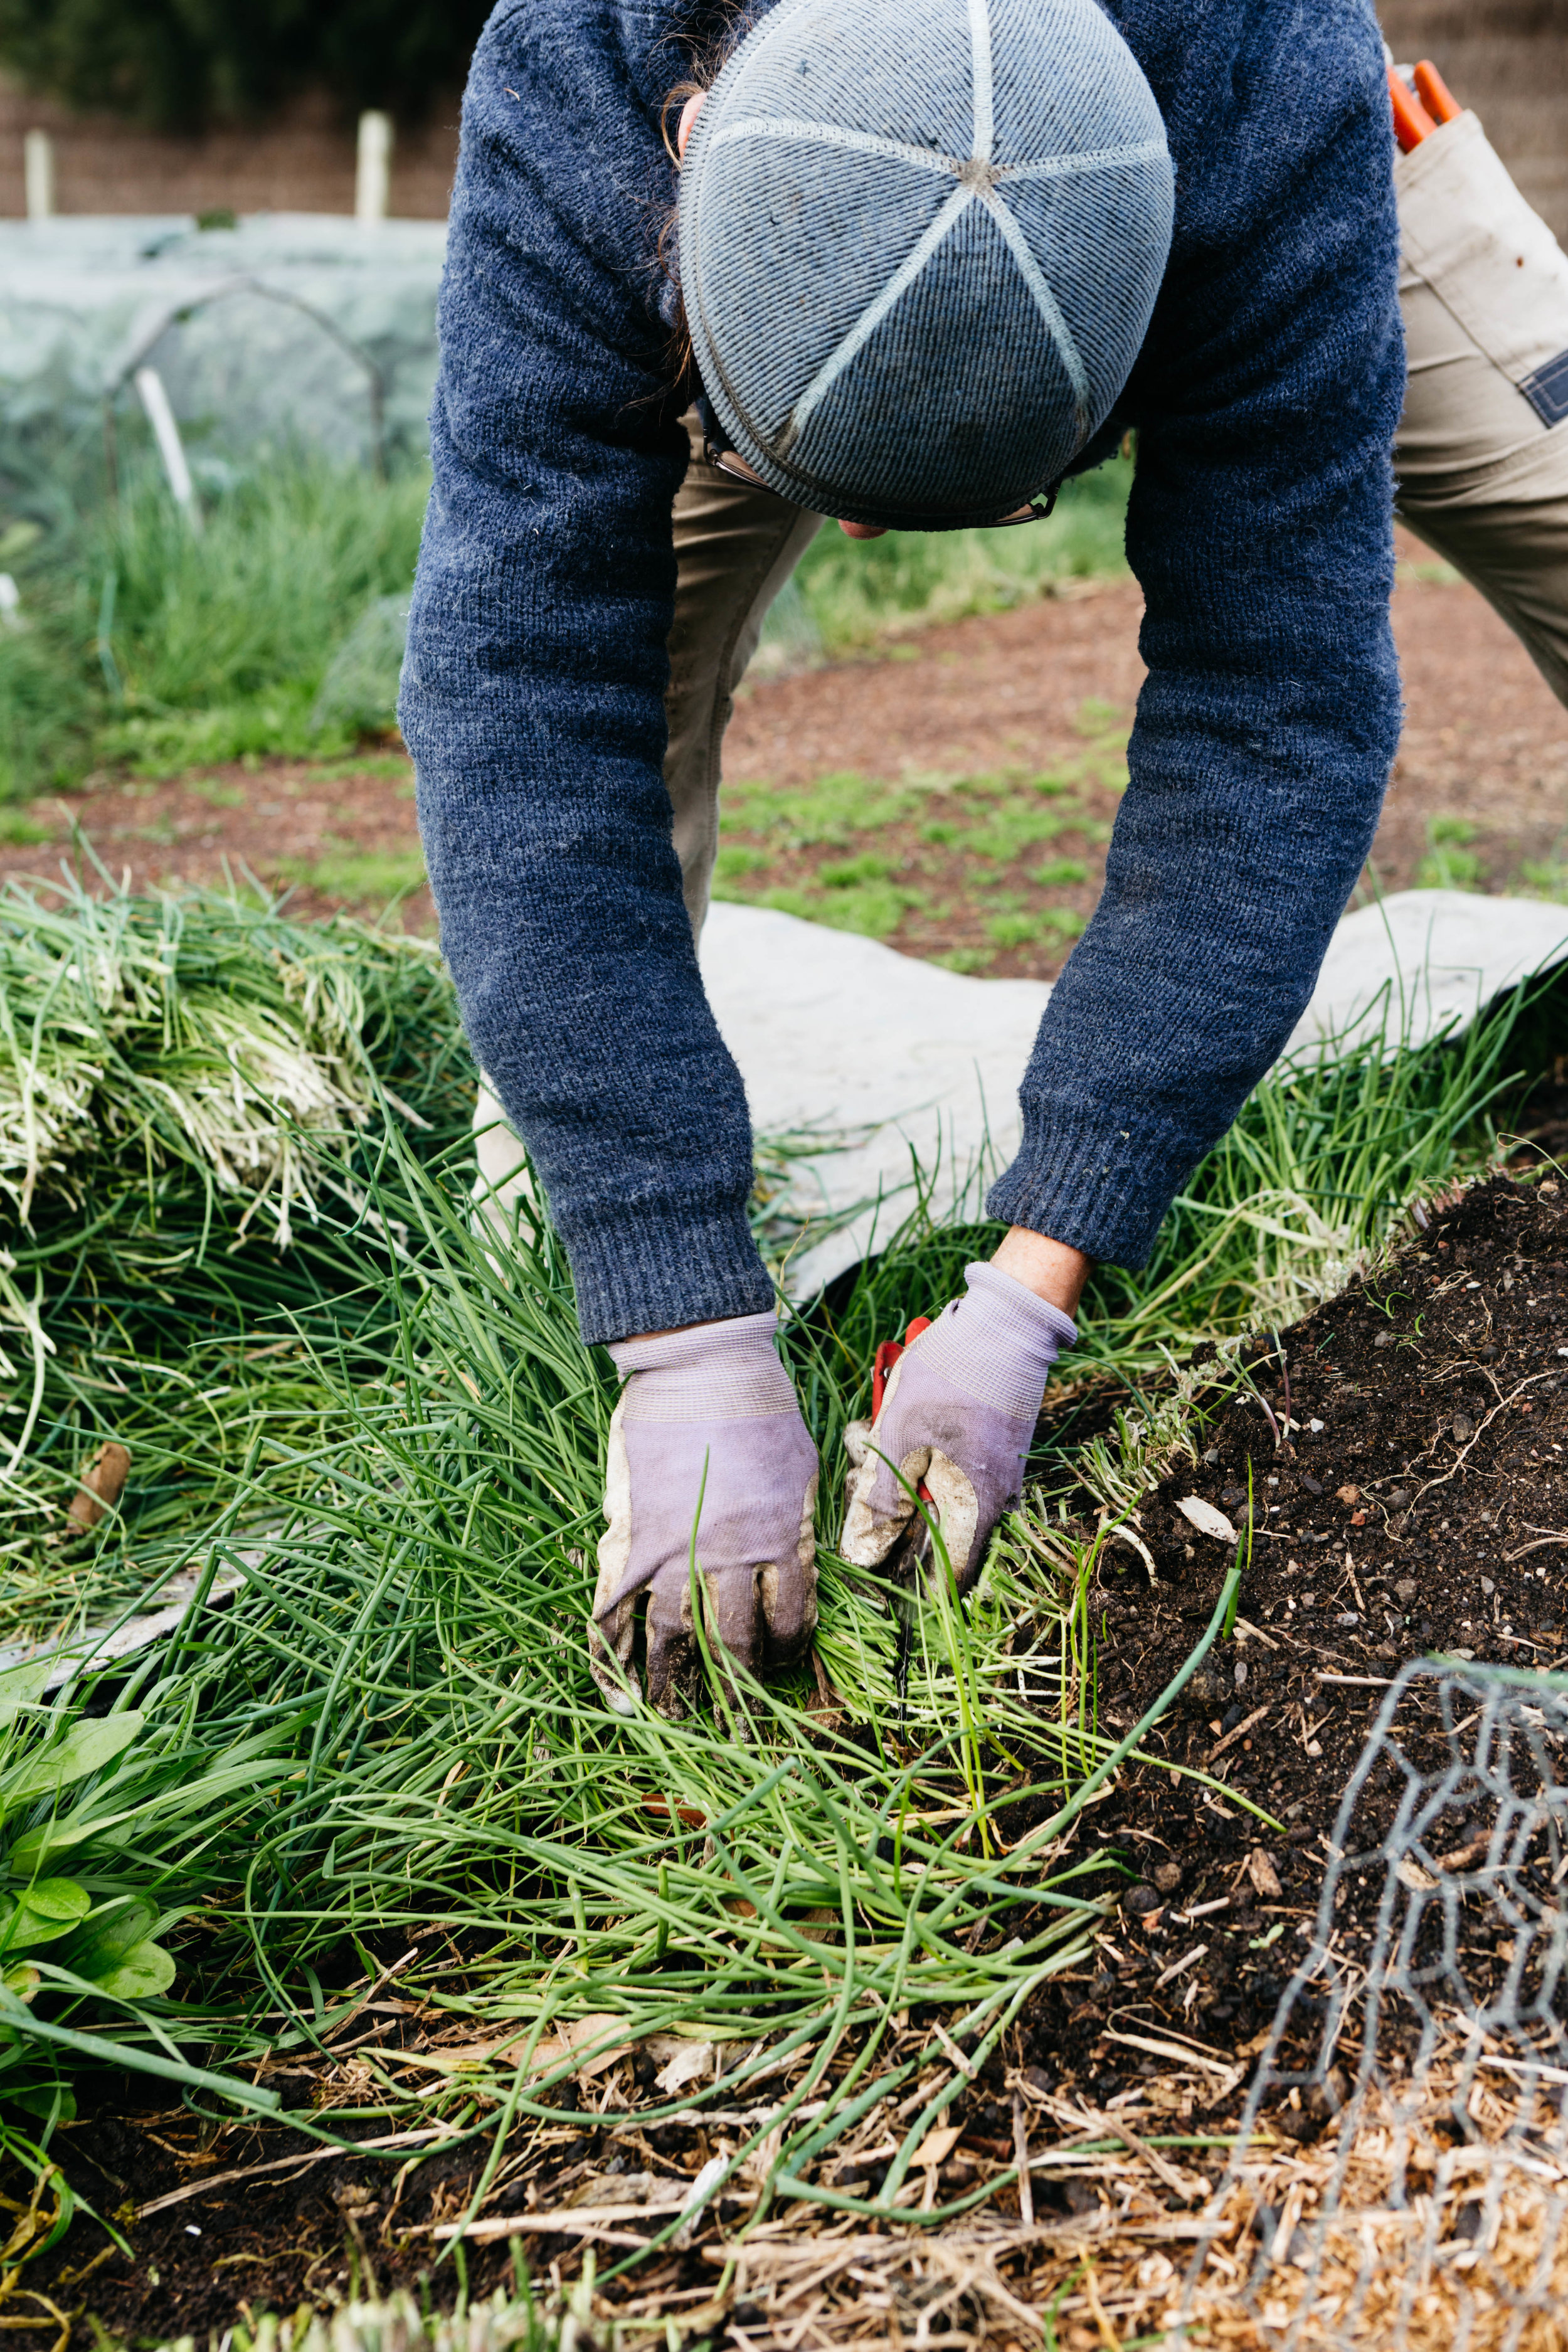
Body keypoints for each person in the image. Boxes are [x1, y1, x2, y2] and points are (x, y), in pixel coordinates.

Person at [398, 0, 1565, 1719]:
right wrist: (683, 1324)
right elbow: (516, 699)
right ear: (688, 136)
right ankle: (603, 1289)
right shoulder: (583, 65)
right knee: (609, 715)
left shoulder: (1258, 75)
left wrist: (1041, 1272)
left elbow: (1274, 702)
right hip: (723, 287)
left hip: (1267, 171)